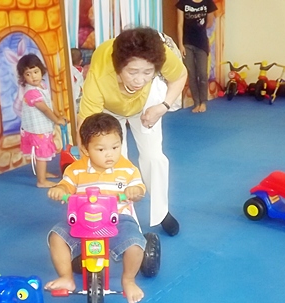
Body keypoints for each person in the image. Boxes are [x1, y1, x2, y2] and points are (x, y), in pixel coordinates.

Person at [78, 27, 187, 236]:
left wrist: (163, 106)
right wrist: (86, 163)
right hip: (110, 108)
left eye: (148, 72)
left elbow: (180, 75)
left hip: (148, 104)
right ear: (119, 67)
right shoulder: (100, 74)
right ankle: (127, 218)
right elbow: (87, 126)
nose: (139, 79)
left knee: (154, 157)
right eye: (132, 72)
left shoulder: (161, 55)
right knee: (113, 160)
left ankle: (161, 212)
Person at [46, 113, 147, 303]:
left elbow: (139, 189)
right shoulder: (75, 169)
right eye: (101, 149)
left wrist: (135, 191)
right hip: (83, 220)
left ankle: (128, 280)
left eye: (115, 147)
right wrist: (59, 190)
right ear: (85, 149)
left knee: (135, 244)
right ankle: (66, 277)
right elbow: (66, 185)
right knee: (56, 236)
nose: (109, 154)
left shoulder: (127, 169)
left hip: (117, 218)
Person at [16, 53, 66, 188]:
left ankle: (43, 173)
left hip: (43, 127)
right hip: (36, 129)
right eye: (28, 74)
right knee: (41, 154)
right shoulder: (31, 92)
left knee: (43, 153)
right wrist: (57, 120)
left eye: (36, 72)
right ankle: (41, 181)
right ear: (23, 77)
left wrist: (58, 115)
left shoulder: (42, 85)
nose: (33, 77)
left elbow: (49, 103)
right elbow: (44, 109)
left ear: (41, 71)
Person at [176, 0, 217, 113]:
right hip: (187, 43)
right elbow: (180, 24)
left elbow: (209, 22)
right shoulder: (183, 3)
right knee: (191, 74)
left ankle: (203, 102)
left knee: (202, 73)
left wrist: (199, 27)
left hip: (201, 43)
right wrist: (180, 45)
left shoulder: (208, 3)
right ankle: (196, 102)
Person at [70, 48, 84, 114]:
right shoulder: (82, 70)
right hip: (80, 95)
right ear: (81, 61)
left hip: (73, 96)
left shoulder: (69, 70)